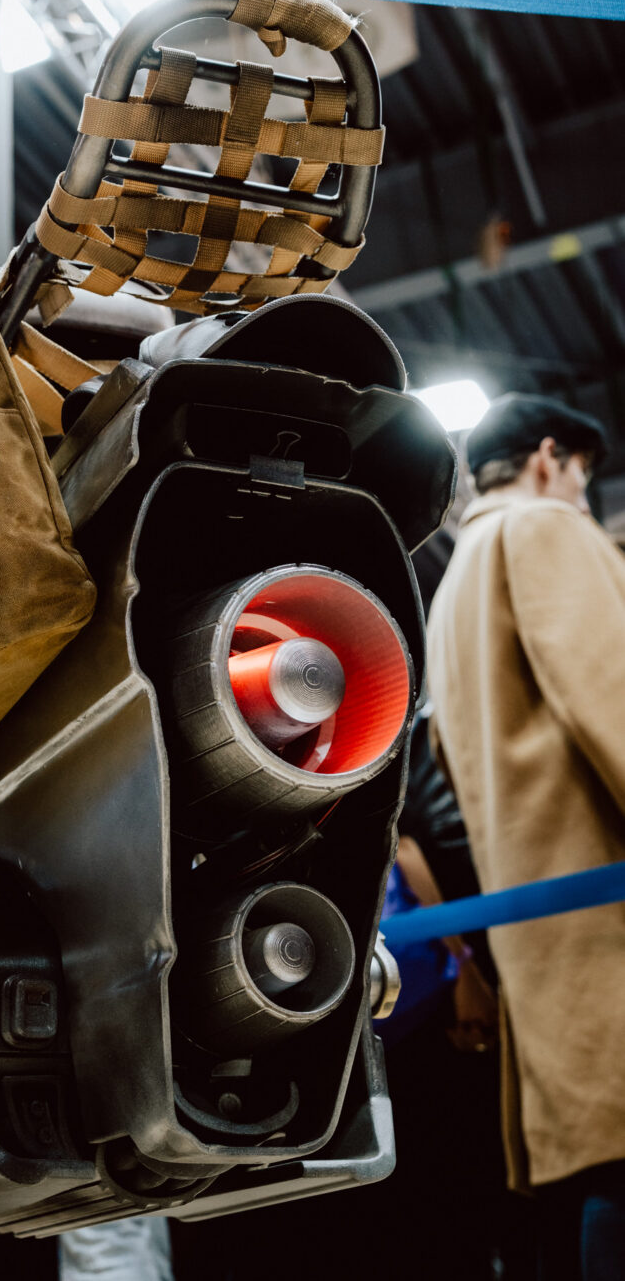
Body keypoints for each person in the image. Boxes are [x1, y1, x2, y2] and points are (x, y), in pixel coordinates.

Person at [426, 392, 625, 1281]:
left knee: (591, 1164)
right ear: (550, 457)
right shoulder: (544, 529)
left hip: (539, 930)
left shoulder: (455, 581)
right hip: (606, 913)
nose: (581, 496)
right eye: (582, 476)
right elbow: (612, 702)